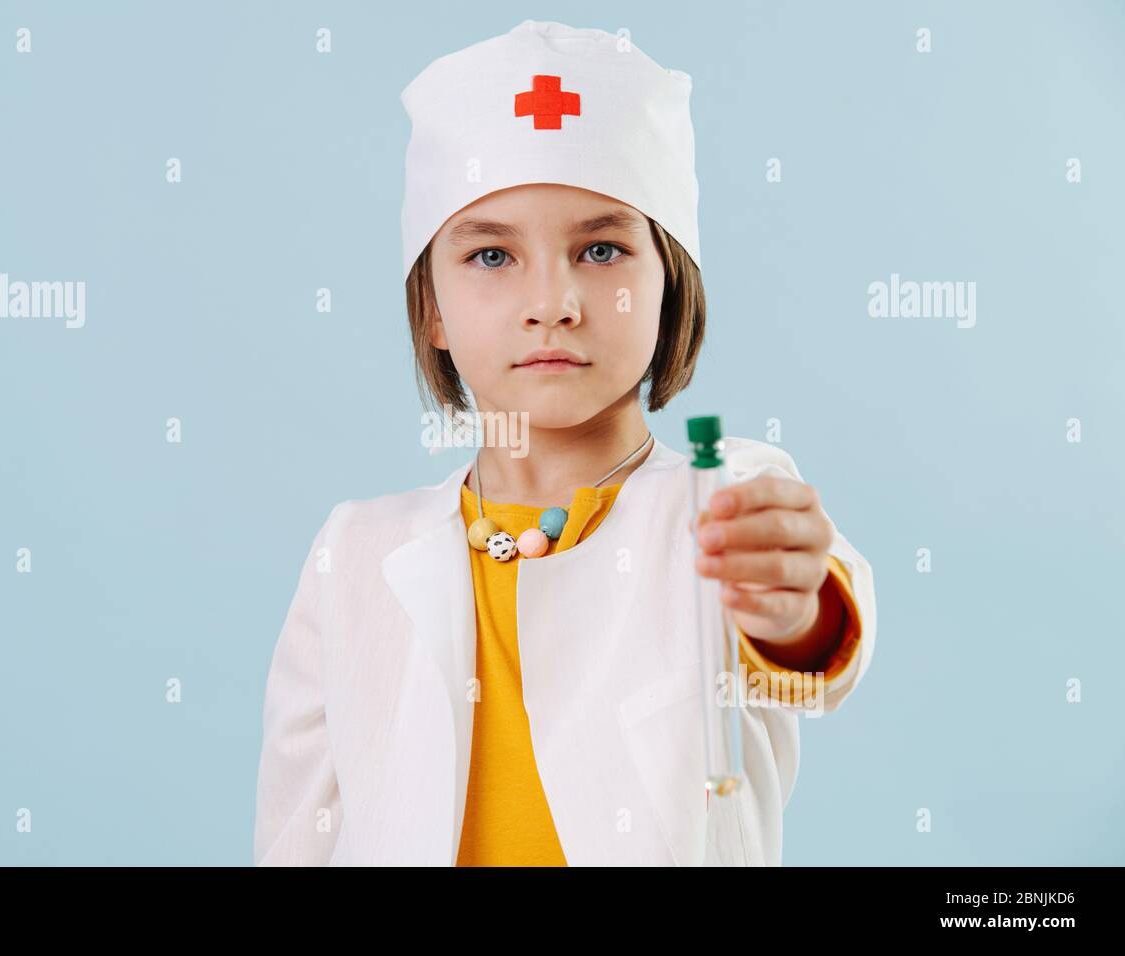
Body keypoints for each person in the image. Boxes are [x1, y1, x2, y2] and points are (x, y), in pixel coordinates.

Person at [254, 19, 875, 866]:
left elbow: (809, 643)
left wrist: (793, 605)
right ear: (430, 308)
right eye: (491, 257)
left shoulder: (718, 500)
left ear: (670, 285)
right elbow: (300, 836)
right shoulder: (354, 556)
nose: (553, 301)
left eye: (602, 249)